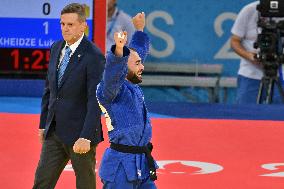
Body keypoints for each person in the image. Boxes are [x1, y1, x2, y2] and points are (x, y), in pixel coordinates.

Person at [33, 3, 105, 189]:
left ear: (83, 26)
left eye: (70, 24)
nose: (65, 28)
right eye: (62, 24)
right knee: (41, 182)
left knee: (85, 185)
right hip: (54, 132)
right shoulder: (56, 48)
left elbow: (95, 99)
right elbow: (49, 90)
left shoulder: (94, 56)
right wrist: (43, 124)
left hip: (80, 135)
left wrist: (87, 136)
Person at [96, 12, 157, 189]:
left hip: (142, 164)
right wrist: (119, 50)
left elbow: (139, 51)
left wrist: (139, 30)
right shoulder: (110, 91)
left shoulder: (131, 81)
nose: (142, 66)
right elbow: (113, 73)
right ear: (124, 66)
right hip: (120, 168)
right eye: (138, 64)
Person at [231, 1, 284, 104]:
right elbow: (234, 41)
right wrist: (250, 56)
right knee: (245, 115)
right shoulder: (249, 10)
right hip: (251, 73)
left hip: (281, 74)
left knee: (279, 117)